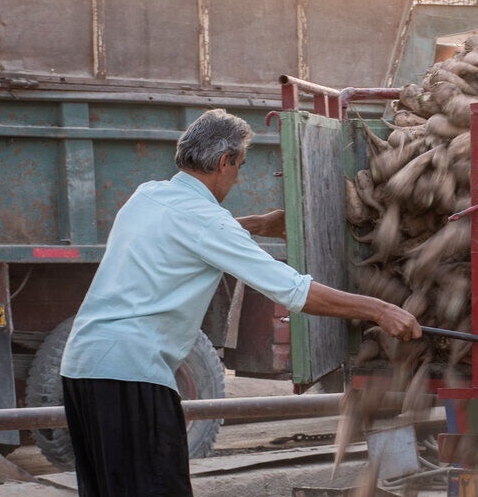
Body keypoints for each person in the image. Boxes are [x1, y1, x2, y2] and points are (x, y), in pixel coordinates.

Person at [59, 108, 421, 496]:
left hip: (81, 369)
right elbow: (293, 290)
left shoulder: (146, 196)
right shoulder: (208, 223)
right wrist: (379, 309)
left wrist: (255, 224)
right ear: (223, 161)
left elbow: (190, 230)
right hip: (131, 375)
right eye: (240, 165)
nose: (237, 175)